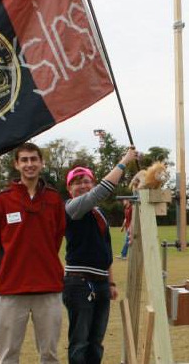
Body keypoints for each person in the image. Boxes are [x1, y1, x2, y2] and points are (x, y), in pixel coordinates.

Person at [0, 142, 66, 364]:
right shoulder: (2, 199)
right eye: (24, 160)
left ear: (41, 163)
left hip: (48, 286)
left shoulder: (53, 198)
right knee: (9, 355)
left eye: (33, 159)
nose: (29, 164)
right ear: (16, 164)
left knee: (49, 354)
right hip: (12, 288)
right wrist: (10, 265)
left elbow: (57, 237)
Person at [62, 147, 137, 364]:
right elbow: (102, 191)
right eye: (77, 182)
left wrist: (111, 282)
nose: (83, 185)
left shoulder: (98, 213)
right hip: (79, 283)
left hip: (101, 282)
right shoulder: (72, 208)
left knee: (96, 342)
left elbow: (105, 250)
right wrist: (124, 161)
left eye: (87, 181)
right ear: (69, 189)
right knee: (80, 342)